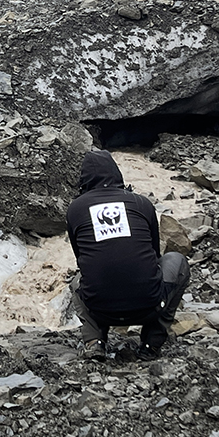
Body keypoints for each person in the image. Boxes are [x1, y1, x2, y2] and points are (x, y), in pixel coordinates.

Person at [66, 149, 190, 360]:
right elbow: (154, 254)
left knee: (78, 281)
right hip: (149, 306)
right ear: (116, 174)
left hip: (100, 309)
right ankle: (151, 344)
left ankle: (94, 342)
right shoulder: (141, 203)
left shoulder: (75, 209)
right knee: (178, 261)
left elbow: (81, 258)